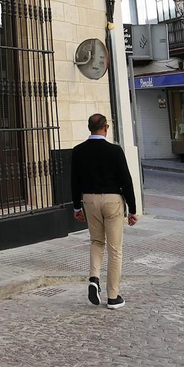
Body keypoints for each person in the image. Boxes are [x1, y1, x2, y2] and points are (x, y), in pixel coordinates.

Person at [71, 113, 138, 310]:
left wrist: (77, 206)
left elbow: (74, 180)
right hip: (112, 200)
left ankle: (94, 277)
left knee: (96, 241)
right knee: (115, 248)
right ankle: (113, 296)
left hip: (89, 199)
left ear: (88, 127)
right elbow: (126, 180)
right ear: (106, 128)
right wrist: (132, 209)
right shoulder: (115, 151)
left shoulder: (78, 151)